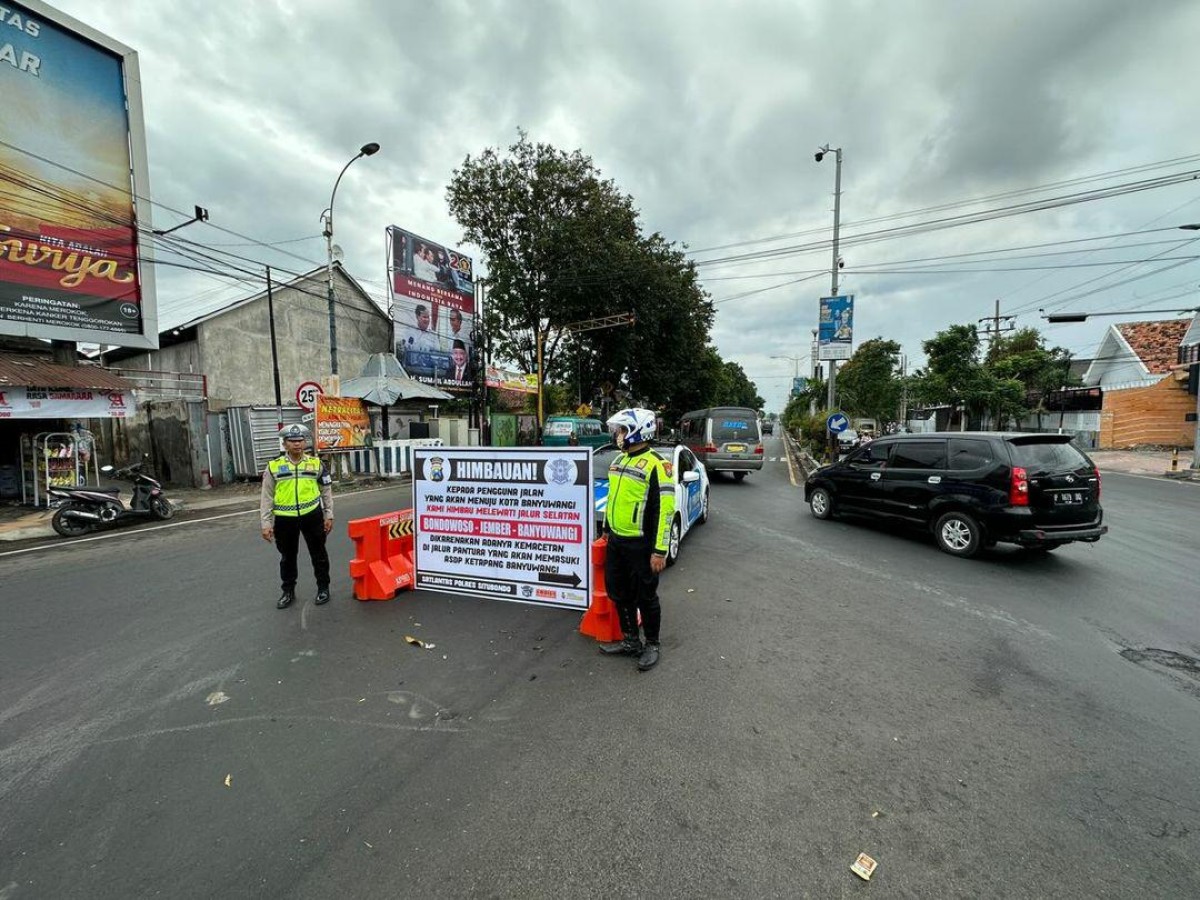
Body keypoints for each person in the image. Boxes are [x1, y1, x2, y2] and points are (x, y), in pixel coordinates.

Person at [599, 407, 675, 671]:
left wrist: (660, 550)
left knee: (646, 596)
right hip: (617, 541)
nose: (617, 435)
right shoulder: (618, 461)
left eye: (621, 430)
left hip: (642, 545)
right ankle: (631, 640)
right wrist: (607, 528)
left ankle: (652, 644)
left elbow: (665, 509)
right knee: (619, 593)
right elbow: (613, 498)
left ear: (636, 431)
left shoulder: (658, 464)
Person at [260, 423, 334, 608]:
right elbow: (267, 496)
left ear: (305, 443)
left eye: (300, 440)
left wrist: (328, 514)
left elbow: (326, 490)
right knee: (287, 557)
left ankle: (323, 588)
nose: (297, 444)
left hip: (312, 515)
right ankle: (288, 591)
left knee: (319, 554)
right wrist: (266, 523)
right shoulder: (274, 466)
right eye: (292, 441)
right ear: (284, 444)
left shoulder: (316, 464)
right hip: (285, 519)